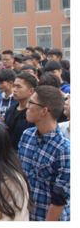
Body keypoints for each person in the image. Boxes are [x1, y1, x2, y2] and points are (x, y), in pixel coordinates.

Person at [18, 85, 70, 221]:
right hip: (24, 215)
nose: (27, 106)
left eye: (31, 102)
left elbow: (60, 198)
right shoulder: (27, 135)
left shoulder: (64, 149)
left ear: (44, 111)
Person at [4, 72, 37, 150]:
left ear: (31, 91)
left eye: (18, 87)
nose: (14, 90)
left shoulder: (34, 115)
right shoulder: (11, 109)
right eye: (14, 86)